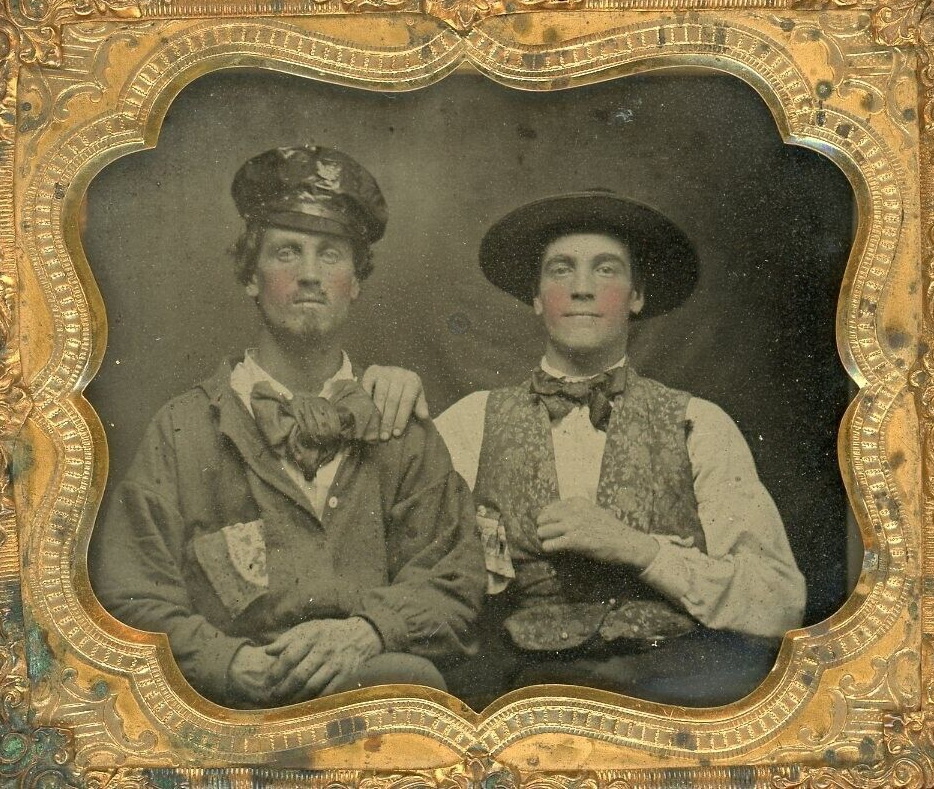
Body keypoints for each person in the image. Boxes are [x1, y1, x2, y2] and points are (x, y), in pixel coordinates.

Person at [91, 145, 486, 709]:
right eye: (286, 253)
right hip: (227, 707)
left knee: (405, 681)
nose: (309, 275)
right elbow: (132, 593)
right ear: (251, 277)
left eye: (331, 255)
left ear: (355, 282)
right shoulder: (183, 429)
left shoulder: (400, 427)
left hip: (374, 697)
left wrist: (368, 632)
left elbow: (454, 581)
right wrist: (229, 663)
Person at [434, 190, 807, 706]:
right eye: (561, 270)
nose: (581, 288)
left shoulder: (698, 425)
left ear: (637, 296)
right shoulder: (470, 422)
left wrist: (639, 550)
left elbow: (778, 601)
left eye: (606, 269)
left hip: (669, 679)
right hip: (523, 683)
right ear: (537, 297)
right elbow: (419, 571)